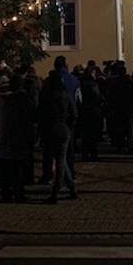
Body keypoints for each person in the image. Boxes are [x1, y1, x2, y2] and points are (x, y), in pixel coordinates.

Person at [0, 74, 35, 202]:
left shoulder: (1, 100)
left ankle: (6, 193)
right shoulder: (23, 100)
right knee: (18, 168)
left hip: (3, 138)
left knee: (5, 168)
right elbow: (30, 117)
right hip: (18, 138)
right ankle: (18, 193)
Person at [39, 70, 77, 204]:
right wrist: (69, 126)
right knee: (62, 159)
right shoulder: (65, 95)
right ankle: (71, 188)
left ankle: (56, 191)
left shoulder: (48, 96)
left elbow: (41, 115)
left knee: (59, 161)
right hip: (64, 129)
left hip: (52, 129)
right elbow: (74, 114)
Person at [79, 66, 103, 161]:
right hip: (93, 110)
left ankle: (85, 154)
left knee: (85, 135)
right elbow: (97, 96)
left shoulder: (81, 83)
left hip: (84, 110)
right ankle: (93, 154)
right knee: (93, 134)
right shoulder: (93, 84)